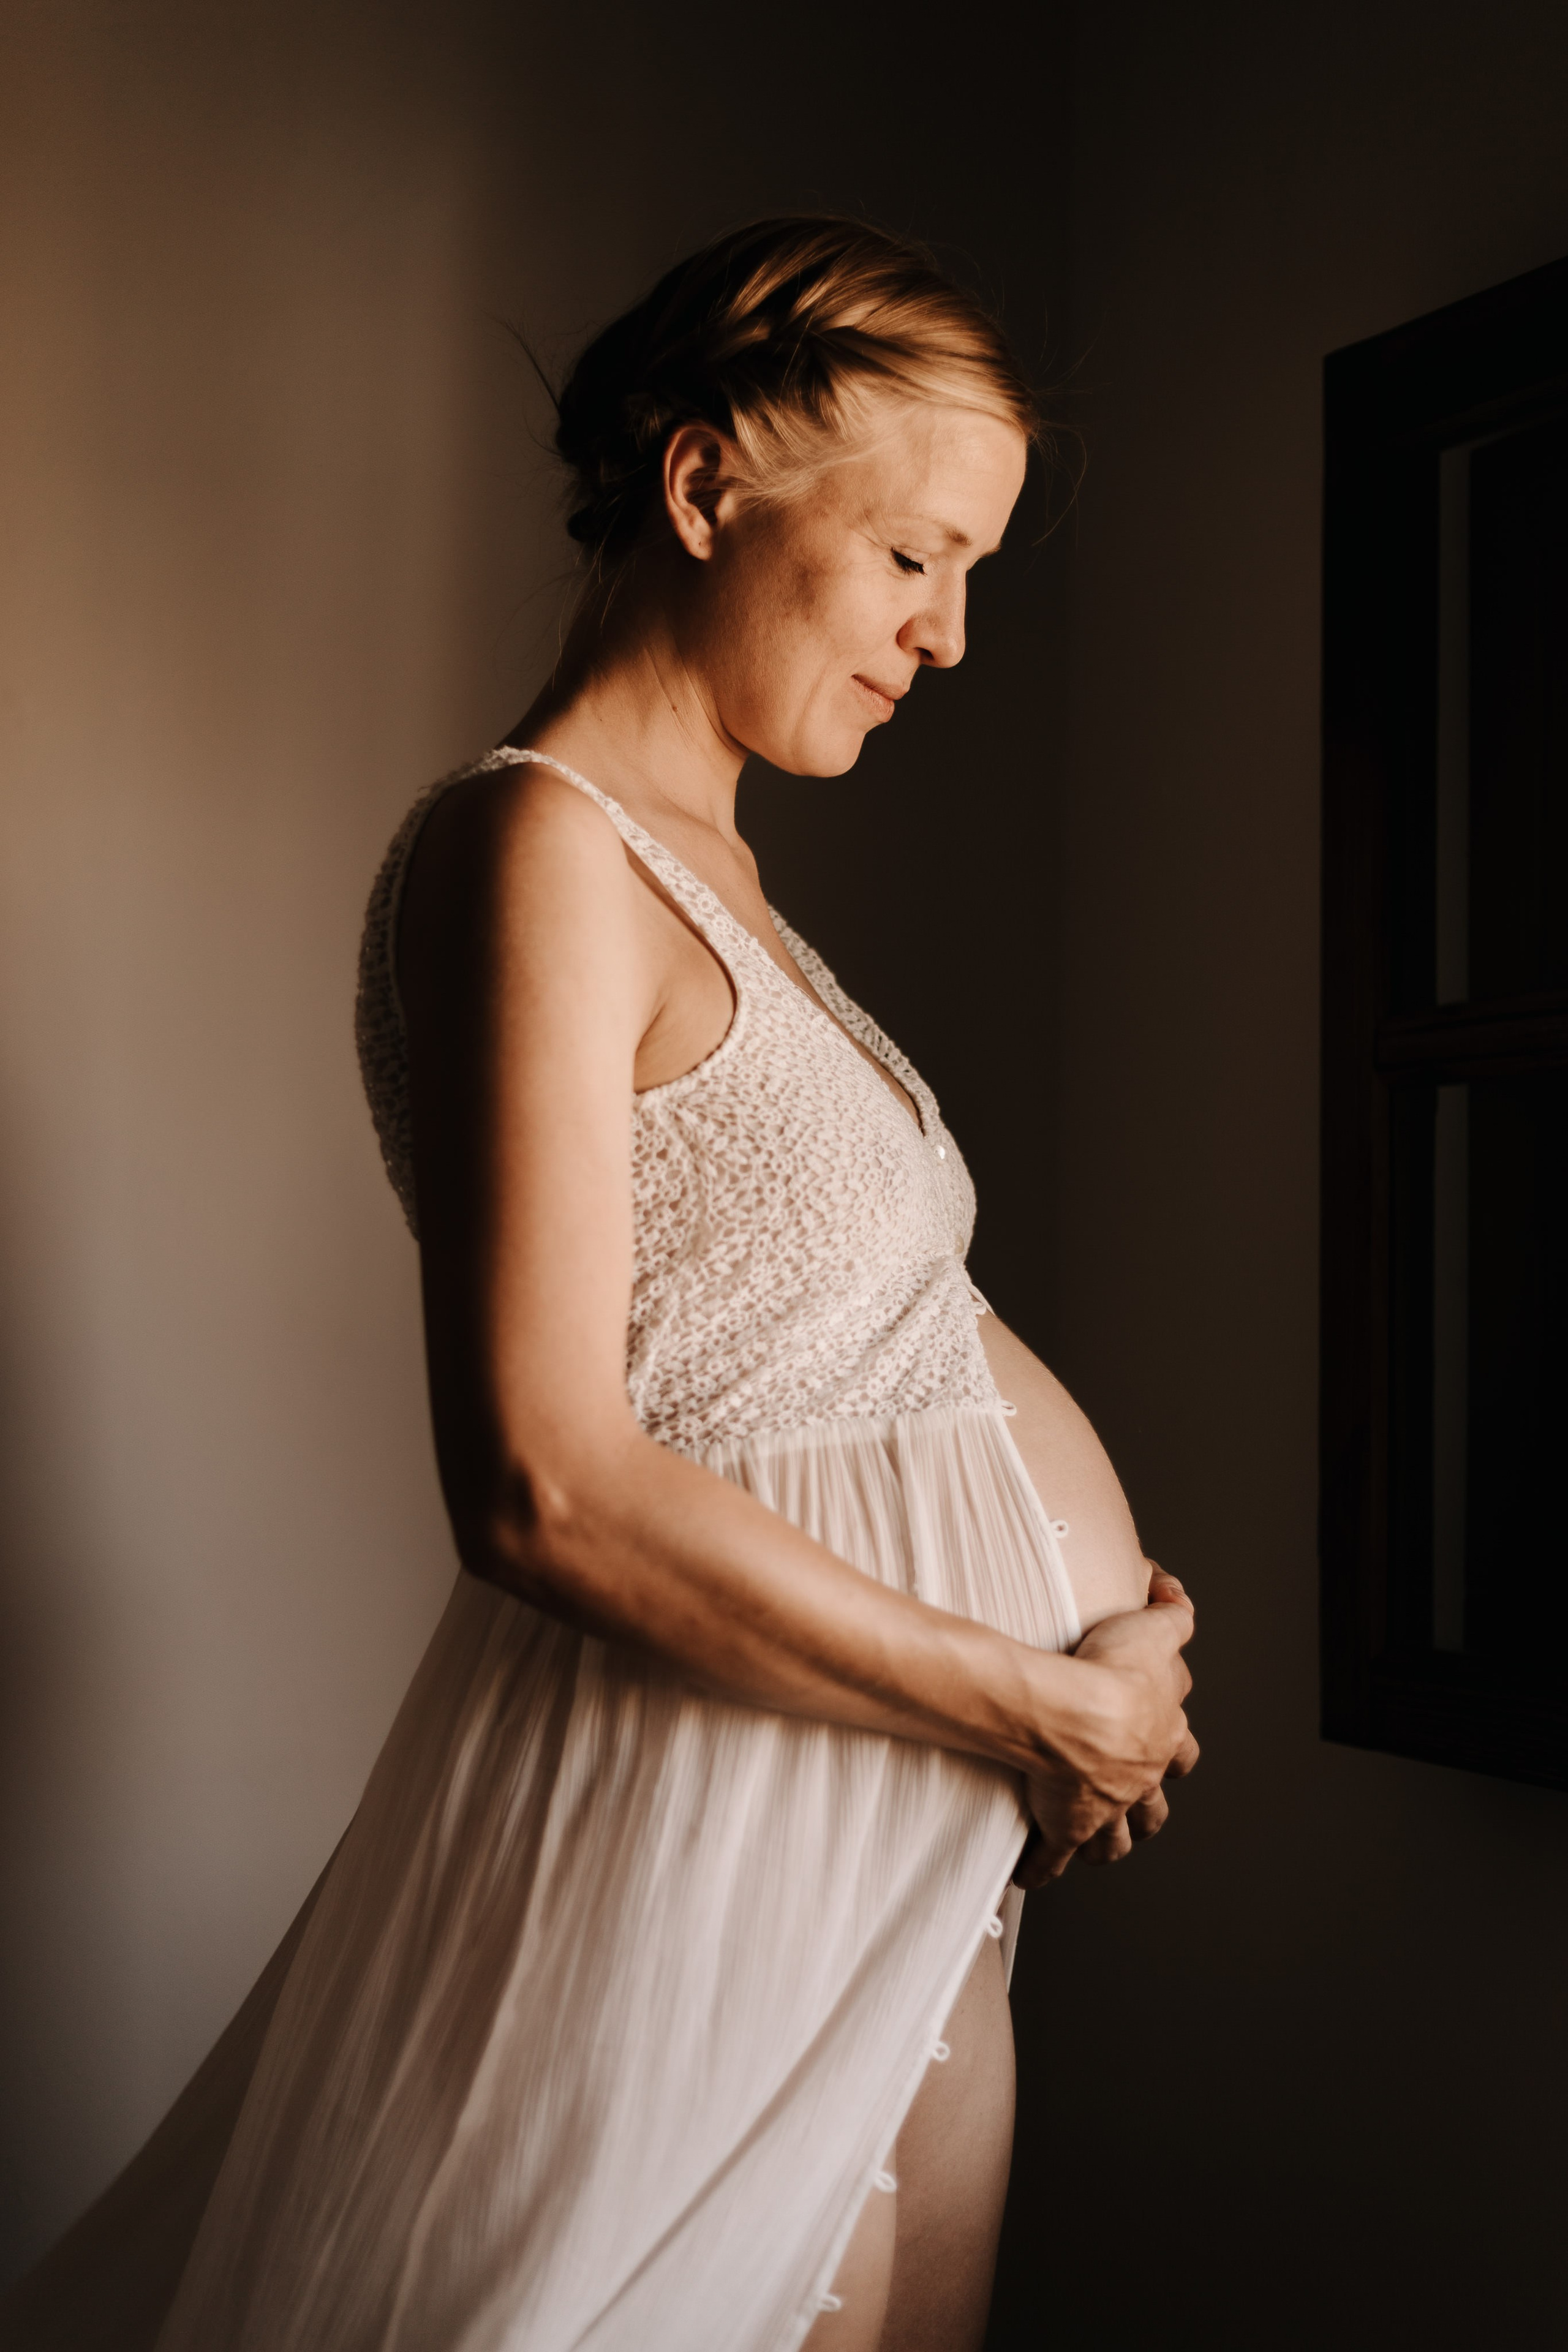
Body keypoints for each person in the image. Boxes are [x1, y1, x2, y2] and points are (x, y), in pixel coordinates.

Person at [6, 216, 1196, 2352]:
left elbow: (880, 1331)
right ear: (706, 482)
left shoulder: (721, 874)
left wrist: (1113, 1663)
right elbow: (543, 1477)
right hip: (718, 1821)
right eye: (918, 554)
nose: (947, 637)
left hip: (896, 1837)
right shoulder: (535, 849)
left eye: (975, 578)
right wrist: (1041, 1694)